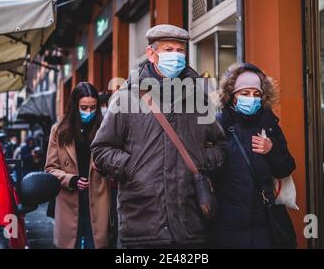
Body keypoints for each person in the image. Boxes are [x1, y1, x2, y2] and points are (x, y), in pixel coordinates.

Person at [91, 24, 227, 249]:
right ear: (151, 54)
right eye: (168, 50)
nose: (176, 56)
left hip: (190, 224)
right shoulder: (127, 97)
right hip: (142, 225)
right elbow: (101, 149)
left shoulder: (198, 97)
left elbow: (220, 145)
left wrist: (202, 161)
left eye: (180, 50)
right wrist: (133, 167)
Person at [210, 63, 296, 248]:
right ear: (232, 96)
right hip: (227, 224)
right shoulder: (219, 125)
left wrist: (271, 150)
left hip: (263, 222)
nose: (251, 98)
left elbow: (286, 168)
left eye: (256, 94)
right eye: (245, 93)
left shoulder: (269, 124)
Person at [45, 82, 111, 249]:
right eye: (84, 107)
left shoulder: (106, 128)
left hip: (98, 197)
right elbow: (50, 169)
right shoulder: (59, 131)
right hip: (69, 199)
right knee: (69, 243)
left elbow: (115, 160)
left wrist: (105, 165)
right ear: (75, 107)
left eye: (93, 107)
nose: (89, 112)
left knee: (96, 243)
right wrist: (71, 180)